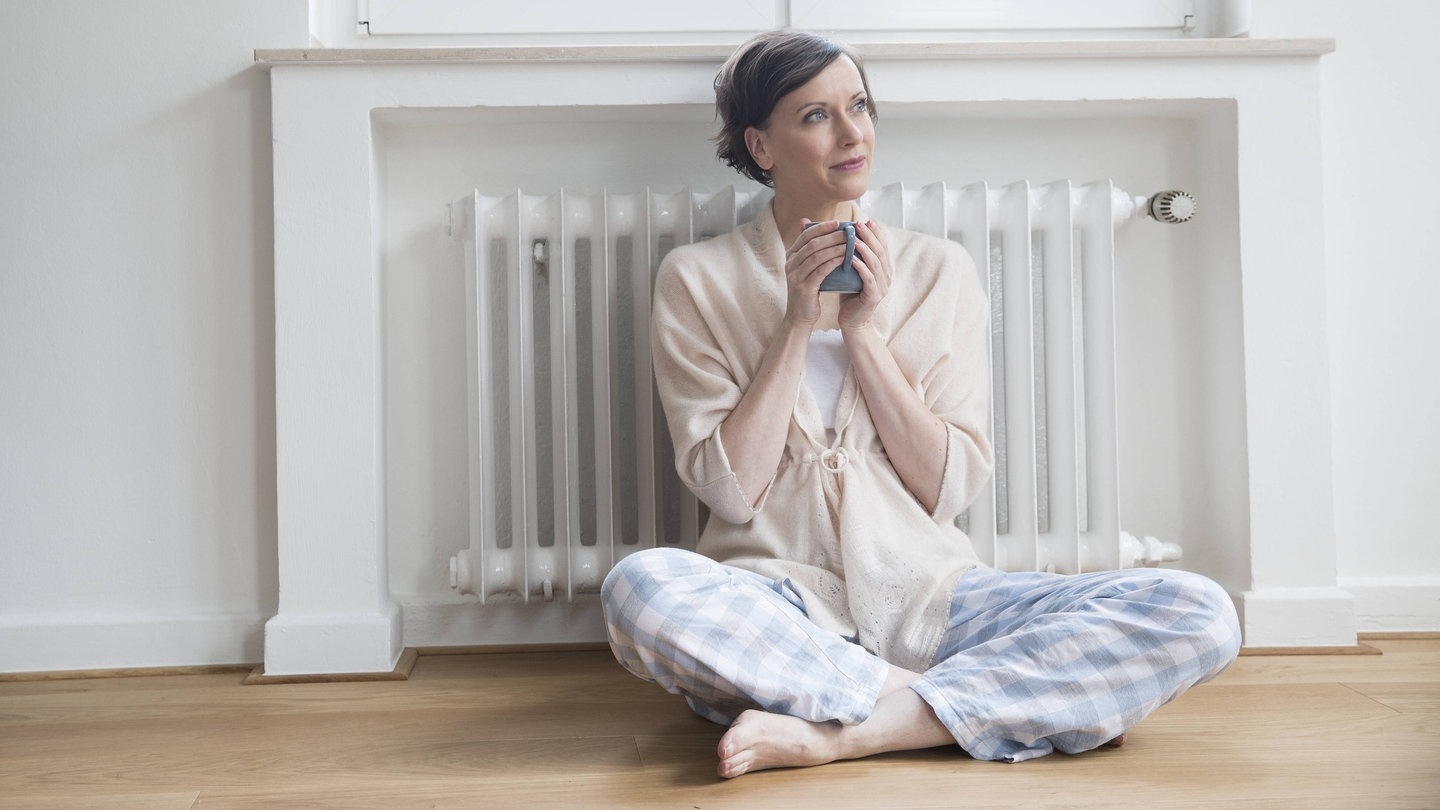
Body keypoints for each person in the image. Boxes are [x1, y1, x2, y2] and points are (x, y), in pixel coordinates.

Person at [600, 29, 1241, 779]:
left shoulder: (940, 271)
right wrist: (797, 322)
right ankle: (977, 705)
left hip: (939, 601)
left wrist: (863, 332)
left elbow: (948, 488)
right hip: (777, 612)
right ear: (760, 146)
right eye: (815, 116)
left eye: (860, 106)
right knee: (640, 590)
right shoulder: (696, 279)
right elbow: (731, 494)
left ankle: (847, 730)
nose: (852, 134)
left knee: (1198, 609)